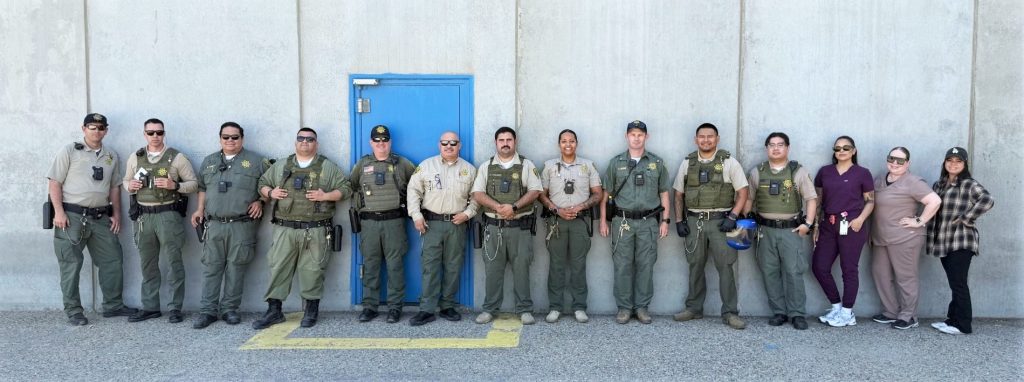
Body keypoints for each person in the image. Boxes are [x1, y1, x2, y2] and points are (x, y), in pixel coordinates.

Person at [252, 127, 352, 330]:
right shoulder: (281, 165)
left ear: (316, 144)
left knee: (313, 269)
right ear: (295, 142)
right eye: (301, 138)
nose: (305, 142)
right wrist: (270, 192)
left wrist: (326, 196)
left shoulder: (327, 167)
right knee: (278, 268)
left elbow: (346, 189)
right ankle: (274, 310)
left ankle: (311, 310)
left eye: (310, 139)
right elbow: (262, 182)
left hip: (315, 229)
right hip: (284, 229)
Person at [47, 113, 138, 325]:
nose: (96, 131)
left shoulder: (111, 156)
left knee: (113, 260)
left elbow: (114, 187)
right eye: (92, 127)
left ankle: (113, 305)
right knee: (71, 264)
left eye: (100, 127)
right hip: (72, 217)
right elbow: (54, 182)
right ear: (83, 128)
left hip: (100, 217)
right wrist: (58, 212)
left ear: (106, 130)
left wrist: (116, 213)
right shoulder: (70, 150)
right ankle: (74, 311)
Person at [190, 122, 271, 329]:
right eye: (226, 137)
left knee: (236, 268)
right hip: (215, 224)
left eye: (235, 137)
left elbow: (269, 186)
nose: (230, 141)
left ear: (242, 139)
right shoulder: (209, 161)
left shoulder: (255, 161)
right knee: (211, 268)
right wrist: (199, 210)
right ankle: (208, 311)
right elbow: (202, 188)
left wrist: (260, 201)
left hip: (241, 224)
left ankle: (230, 309)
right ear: (220, 139)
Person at [672, 123, 749, 330]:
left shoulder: (729, 162)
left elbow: (743, 192)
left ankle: (730, 312)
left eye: (710, 137)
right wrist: (679, 221)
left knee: (726, 267)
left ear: (717, 138)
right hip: (694, 222)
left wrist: (733, 216)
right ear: (696, 139)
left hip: (722, 223)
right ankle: (694, 308)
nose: (706, 140)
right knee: (695, 265)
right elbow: (678, 194)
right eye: (702, 137)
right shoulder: (687, 163)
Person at [122, 118, 198, 324]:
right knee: (148, 264)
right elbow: (125, 181)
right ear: (144, 134)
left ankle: (175, 308)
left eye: (159, 132)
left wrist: (175, 185)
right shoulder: (136, 157)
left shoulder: (177, 157)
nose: (155, 136)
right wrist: (131, 185)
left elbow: (193, 184)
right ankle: (150, 306)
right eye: (151, 132)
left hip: (168, 216)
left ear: (164, 134)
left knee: (174, 262)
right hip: (144, 216)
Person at [742, 132, 817, 330]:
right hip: (764, 230)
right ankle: (779, 312)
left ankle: (797, 314)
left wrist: (808, 224)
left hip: (791, 231)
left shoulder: (797, 171)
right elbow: (748, 198)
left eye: (780, 145)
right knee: (769, 272)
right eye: (772, 145)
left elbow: (811, 199)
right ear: (767, 148)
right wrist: (746, 217)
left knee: (793, 272)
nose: (776, 148)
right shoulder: (757, 171)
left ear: (787, 148)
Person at [599, 120, 671, 325]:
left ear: (646, 137)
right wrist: (603, 221)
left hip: (648, 223)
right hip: (622, 223)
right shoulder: (616, 163)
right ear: (626, 136)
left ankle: (641, 307)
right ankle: (623, 308)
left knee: (646, 265)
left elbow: (664, 193)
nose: (636, 138)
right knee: (622, 265)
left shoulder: (656, 163)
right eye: (633, 134)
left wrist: (665, 221)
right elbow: (606, 195)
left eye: (640, 134)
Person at [406, 131, 479, 326]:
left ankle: (447, 306)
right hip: (431, 225)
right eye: (445, 143)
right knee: (430, 267)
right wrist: (416, 215)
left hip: (457, 224)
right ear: (439, 145)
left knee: (453, 266)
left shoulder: (469, 170)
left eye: (453, 143)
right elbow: (413, 191)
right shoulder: (426, 166)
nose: (449, 146)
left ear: (459, 145)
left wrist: (468, 214)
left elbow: (477, 197)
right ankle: (427, 309)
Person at [472, 127, 543, 325]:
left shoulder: (526, 165)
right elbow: (477, 193)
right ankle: (489, 309)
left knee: (522, 269)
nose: (505, 143)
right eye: (501, 140)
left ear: (515, 141)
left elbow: (536, 190)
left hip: (520, 228)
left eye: (509, 139)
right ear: (496, 143)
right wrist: (497, 207)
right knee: (493, 270)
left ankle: (525, 309)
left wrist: (514, 207)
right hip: (493, 228)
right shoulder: (486, 166)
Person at [869, 147, 941, 330]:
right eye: (892, 158)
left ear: (907, 163)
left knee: (905, 277)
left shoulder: (913, 182)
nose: (895, 163)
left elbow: (935, 201)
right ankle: (890, 312)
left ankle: (909, 316)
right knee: (881, 275)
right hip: (880, 237)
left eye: (900, 160)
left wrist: (920, 220)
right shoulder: (879, 181)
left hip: (905, 238)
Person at [350, 125, 416, 324]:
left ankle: (395, 308)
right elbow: (352, 185)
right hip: (369, 223)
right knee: (371, 265)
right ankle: (370, 306)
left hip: (394, 222)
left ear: (390, 142)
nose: (381, 144)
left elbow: (417, 185)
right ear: (371, 142)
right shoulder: (361, 164)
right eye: (377, 141)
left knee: (395, 266)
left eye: (384, 140)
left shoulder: (402, 163)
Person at [926, 147, 994, 335]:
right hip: (944, 241)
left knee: (958, 283)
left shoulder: (969, 184)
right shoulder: (939, 185)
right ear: (945, 163)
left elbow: (987, 199)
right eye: (950, 160)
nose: (953, 164)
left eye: (958, 161)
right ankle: (952, 319)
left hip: (962, 240)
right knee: (954, 282)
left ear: (964, 164)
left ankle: (963, 325)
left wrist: (966, 218)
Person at [538, 129, 603, 324]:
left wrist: (581, 206)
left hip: (579, 222)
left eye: (572, 141)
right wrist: (556, 209)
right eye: (564, 141)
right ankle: (555, 307)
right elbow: (541, 194)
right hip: (556, 222)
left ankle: (579, 307)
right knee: (556, 266)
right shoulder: (549, 166)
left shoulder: (588, 165)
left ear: (577, 143)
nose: (568, 144)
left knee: (578, 266)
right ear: (559, 144)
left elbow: (598, 193)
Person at [812, 135, 874, 327]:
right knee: (819, 267)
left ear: (853, 151)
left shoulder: (862, 173)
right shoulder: (825, 172)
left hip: (852, 224)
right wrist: (815, 226)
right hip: (828, 225)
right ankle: (837, 307)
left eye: (846, 148)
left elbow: (870, 201)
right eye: (838, 148)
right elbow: (818, 200)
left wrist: (861, 219)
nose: (841, 151)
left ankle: (848, 313)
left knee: (849, 269)